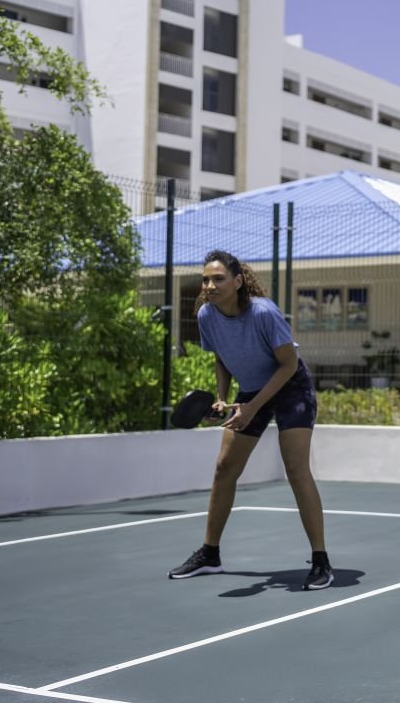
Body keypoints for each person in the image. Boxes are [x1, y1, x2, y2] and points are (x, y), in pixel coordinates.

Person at [167, 250, 333, 590]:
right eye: (206, 279)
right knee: (224, 468)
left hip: (291, 387)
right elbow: (222, 359)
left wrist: (253, 407)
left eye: (218, 279)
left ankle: (321, 561)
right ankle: (210, 554)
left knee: (296, 469)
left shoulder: (263, 312)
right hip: (251, 390)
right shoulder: (206, 316)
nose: (210, 285)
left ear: (238, 281)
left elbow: (288, 365)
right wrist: (221, 397)